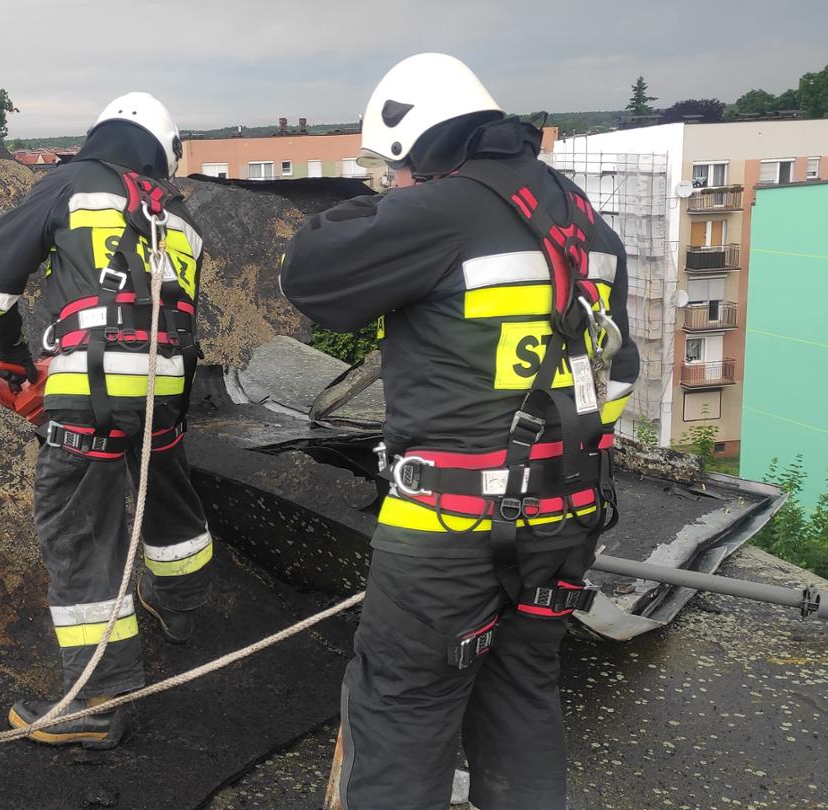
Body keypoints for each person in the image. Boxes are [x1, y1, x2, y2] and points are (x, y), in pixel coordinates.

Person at [280, 54, 639, 809]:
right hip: (567, 521)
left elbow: (309, 276)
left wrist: (372, 201)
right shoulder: (582, 220)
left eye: (391, 168)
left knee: (403, 711)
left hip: (451, 534)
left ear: (413, 149)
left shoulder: (440, 211)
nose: (391, 183)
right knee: (522, 697)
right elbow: (622, 373)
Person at [0, 92, 214, 750]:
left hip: (92, 393)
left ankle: (96, 700)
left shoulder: (72, 184)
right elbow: (178, 327)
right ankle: (182, 611)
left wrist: (13, 358)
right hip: (164, 393)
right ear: (161, 155)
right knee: (169, 505)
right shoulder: (180, 221)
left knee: (81, 530)